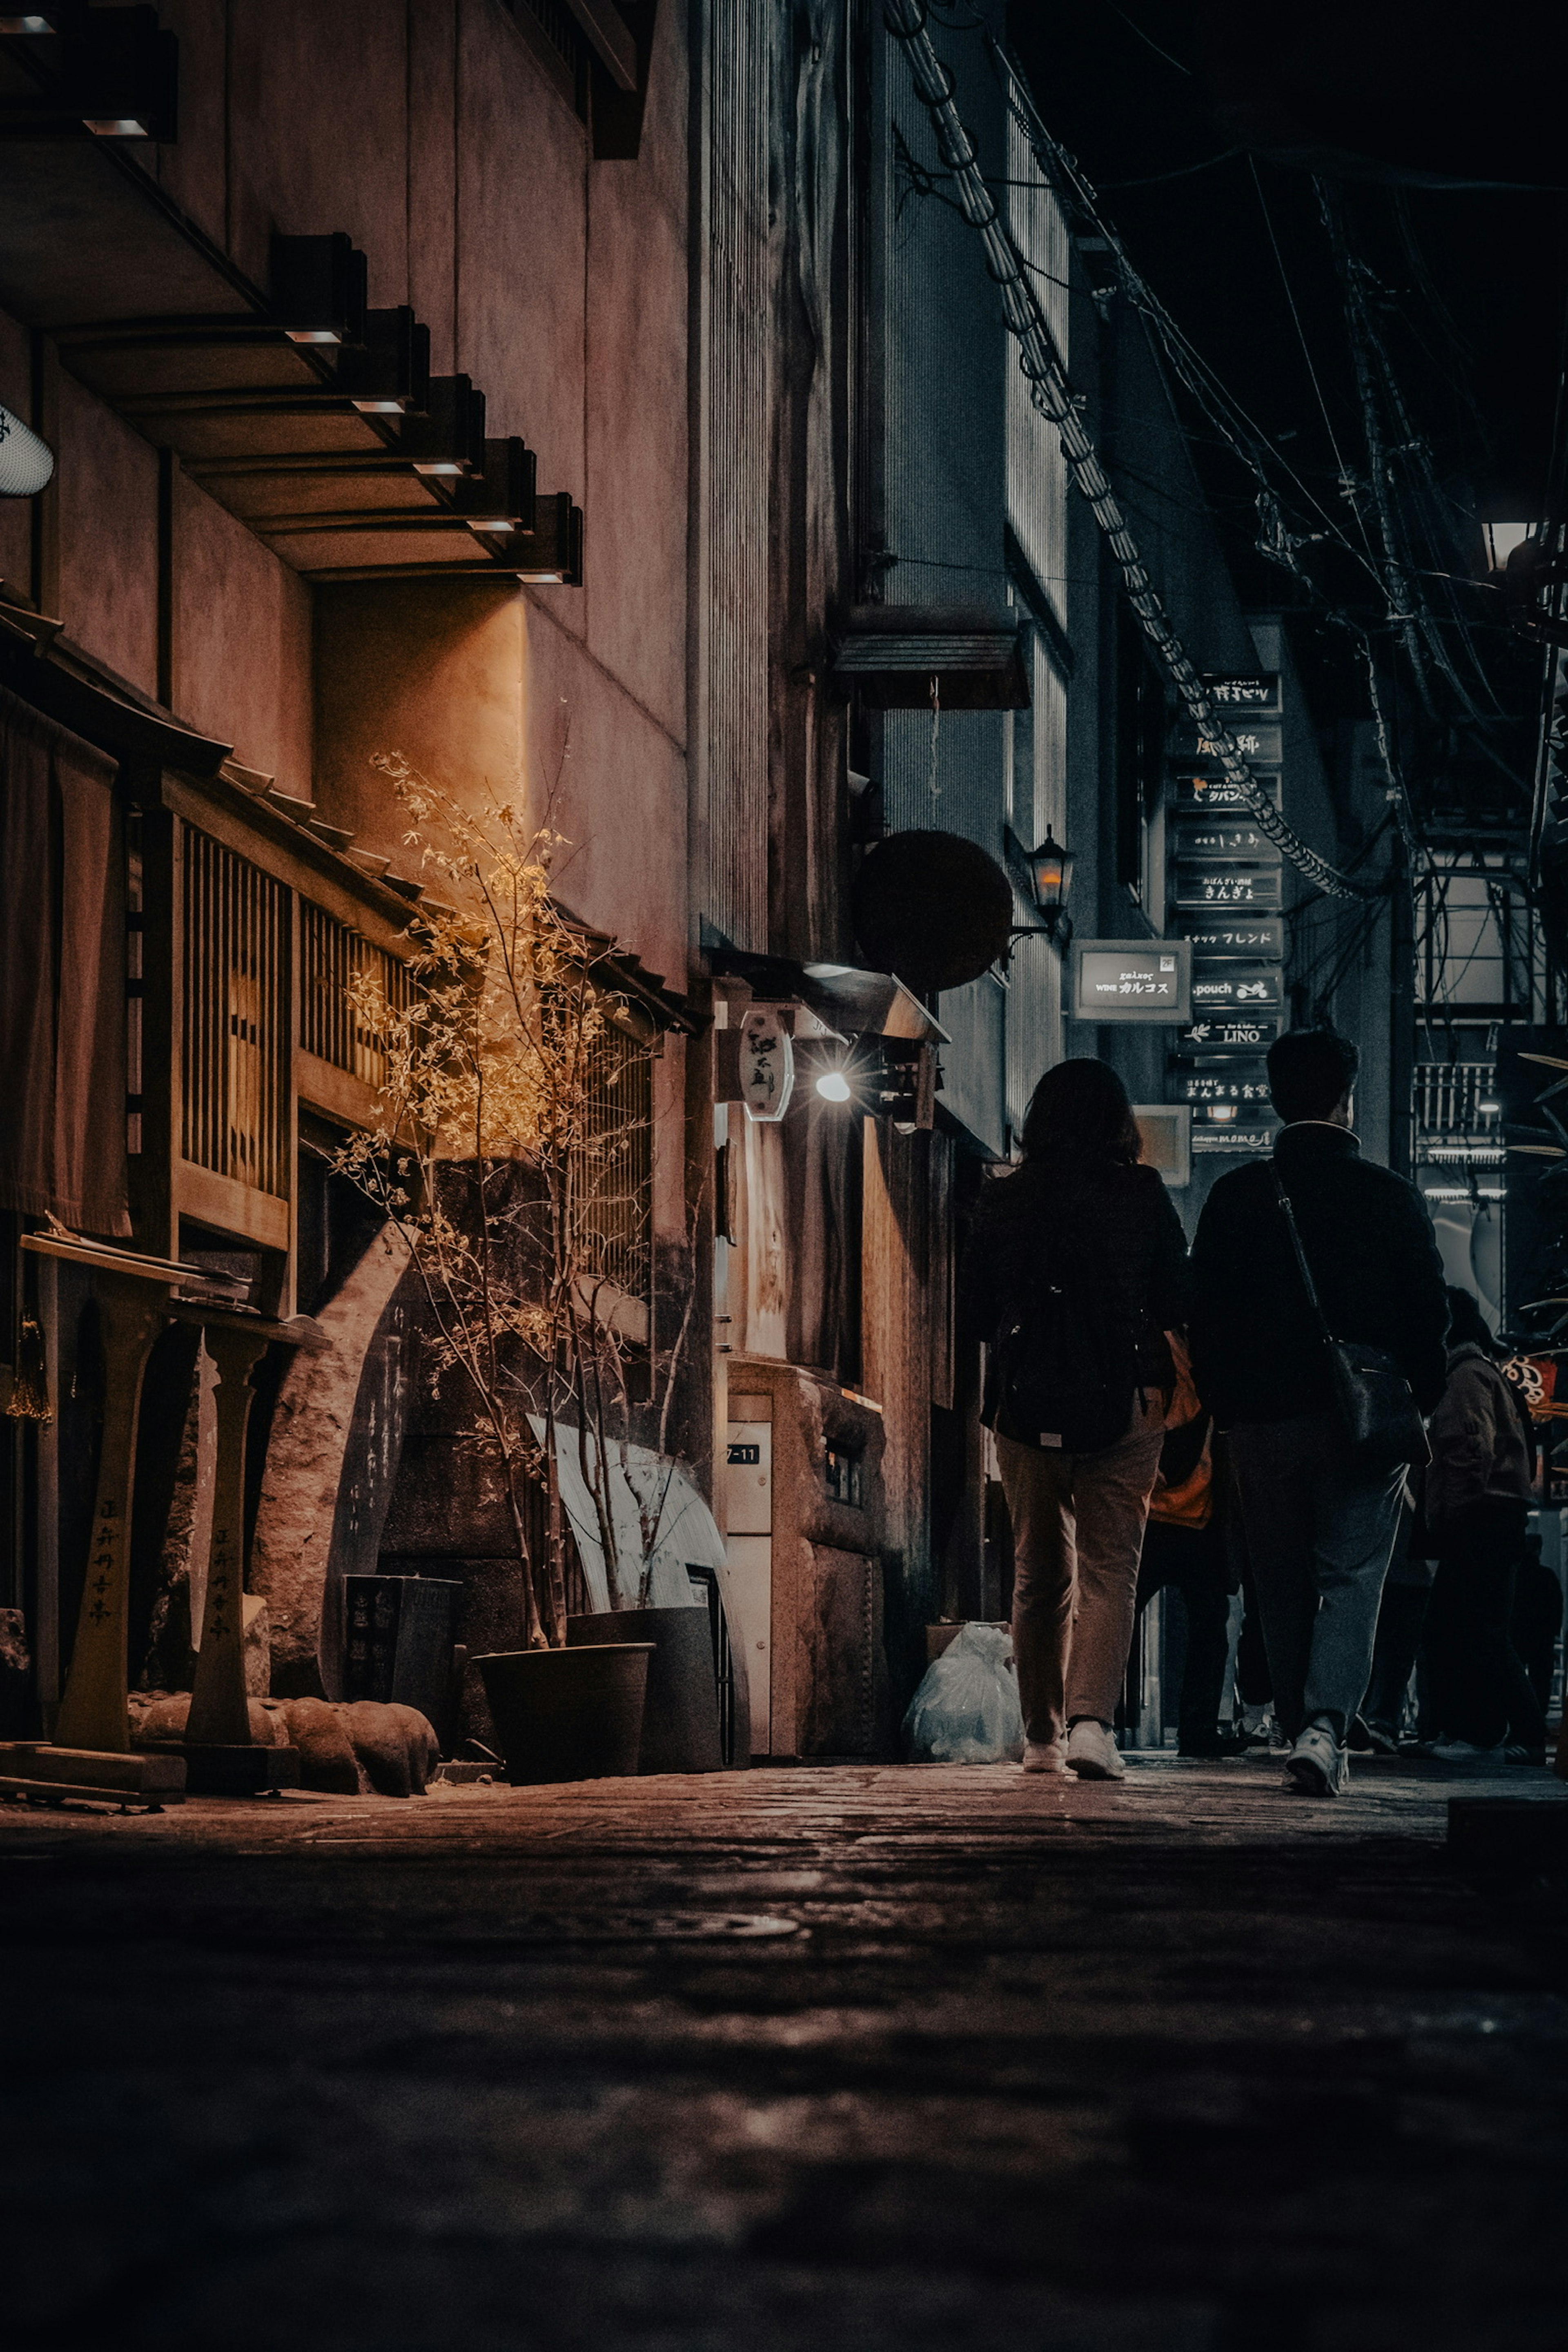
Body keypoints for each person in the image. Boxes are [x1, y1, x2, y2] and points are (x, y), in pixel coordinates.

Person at [1188, 1027, 1448, 1797]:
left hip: (1263, 1422)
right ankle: (1324, 1728)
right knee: (1353, 1576)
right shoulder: (1391, 1198)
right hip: (1364, 1424)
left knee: (1280, 1579)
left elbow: (1204, 1313)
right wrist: (1418, 1400)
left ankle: (1297, 1716)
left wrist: (1227, 1406)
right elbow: (1427, 1313)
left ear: (1274, 1097)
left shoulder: (1237, 1196)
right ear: (1348, 1097)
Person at [962, 1058, 1187, 1781]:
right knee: (1110, 1572)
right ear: (1119, 1122)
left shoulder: (1003, 1200)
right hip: (1123, 1403)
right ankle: (1094, 1726)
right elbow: (1179, 1299)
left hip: (1023, 1407)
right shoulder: (1142, 1193)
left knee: (1037, 1572)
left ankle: (1041, 1740)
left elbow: (974, 1315)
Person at [1421, 1285, 1547, 1763]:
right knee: (1476, 1628)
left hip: (1479, 1517)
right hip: (1497, 1515)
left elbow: (1470, 1448)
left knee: (1465, 1628)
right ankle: (1485, 1731)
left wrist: (1451, 1513)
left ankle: (1486, 1733)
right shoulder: (1488, 1373)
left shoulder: (1465, 1376)